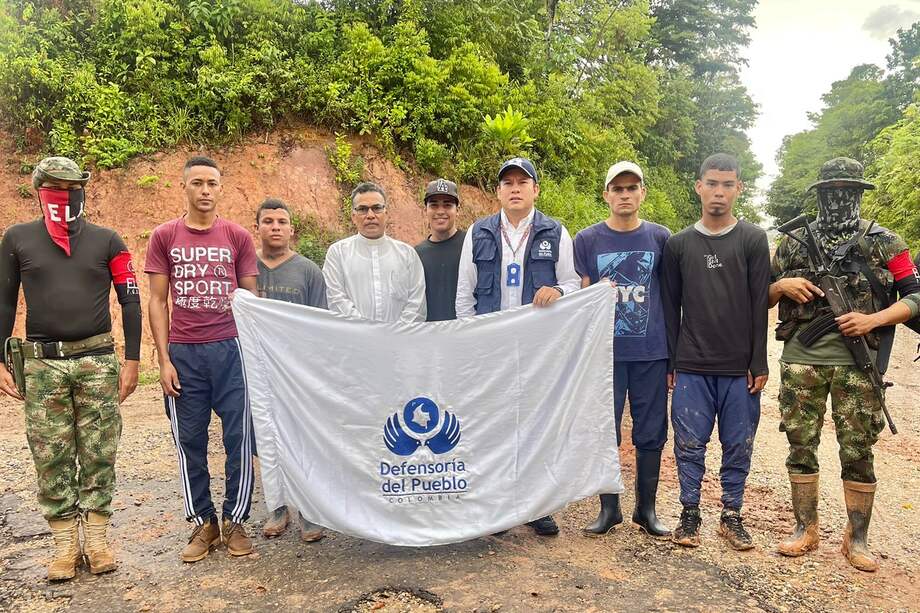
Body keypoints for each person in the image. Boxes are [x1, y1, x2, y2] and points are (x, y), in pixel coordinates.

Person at [769, 157, 920, 572]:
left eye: (848, 190)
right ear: (819, 195)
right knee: (800, 444)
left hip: (860, 362)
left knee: (858, 450)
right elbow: (757, 295)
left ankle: (857, 538)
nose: (840, 198)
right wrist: (780, 285)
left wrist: (874, 319)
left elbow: (915, 295)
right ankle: (806, 529)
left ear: (860, 193)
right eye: (831, 191)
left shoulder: (886, 242)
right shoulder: (794, 242)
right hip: (802, 359)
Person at [0, 156, 141, 580]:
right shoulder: (17, 239)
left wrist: (133, 360)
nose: (64, 195)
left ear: (83, 189)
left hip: (97, 360)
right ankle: (64, 546)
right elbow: (5, 301)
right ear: (38, 188)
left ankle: (96, 542)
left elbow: (130, 299)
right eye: (54, 186)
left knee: (100, 452)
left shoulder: (108, 241)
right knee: (50, 455)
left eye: (72, 186)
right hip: (43, 364)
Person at [455, 157, 581, 536]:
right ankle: (496, 507)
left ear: (535, 190)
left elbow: (574, 283)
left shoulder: (555, 233)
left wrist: (557, 290)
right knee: (492, 426)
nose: (514, 188)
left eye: (522, 182)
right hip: (491, 351)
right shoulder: (477, 233)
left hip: (536, 351)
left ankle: (534, 506)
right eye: (507, 182)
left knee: (533, 426)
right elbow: (465, 295)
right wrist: (474, 342)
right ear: (497, 191)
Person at [145, 156, 259, 563]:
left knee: (238, 439)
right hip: (184, 353)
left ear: (221, 188)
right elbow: (158, 302)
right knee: (188, 440)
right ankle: (204, 522)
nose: (205, 190)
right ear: (185, 187)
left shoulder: (238, 237)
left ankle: (236, 520)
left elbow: (251, 300)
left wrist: (255, 355)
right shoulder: (164, 236)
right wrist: (163, 360)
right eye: (197, 183)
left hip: (231, 351)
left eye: (212, 182)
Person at [661, 153, 770, 551]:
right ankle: (689, 514)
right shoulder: (678, 245)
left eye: (728, 184)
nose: (719, 192)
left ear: (739, 188)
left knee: (739, 443)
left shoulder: (754, 240)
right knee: (689, 443)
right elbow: (670, 307)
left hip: (739, 367)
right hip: (691, 364)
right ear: (698, 187)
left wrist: (759, 360)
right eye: (712, 183)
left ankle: (732, 515)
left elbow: (760, 303)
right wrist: (672, 360)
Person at [574, 161, 671, 539]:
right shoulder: (587, 240)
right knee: (604, 430)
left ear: (643, 193)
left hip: (651, 351)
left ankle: (646, 510)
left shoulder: (661, 238)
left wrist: (673, 356)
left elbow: (673, 298)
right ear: (606, 195)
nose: (625, 195)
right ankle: (609, 508)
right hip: (604, 355)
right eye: (618, 189)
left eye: (632, 188)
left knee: (651, 432)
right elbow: (581, 296)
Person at [253, 198, 327, 542]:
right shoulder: (246, 269)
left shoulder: (308, 271)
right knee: (265, 439)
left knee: (303, 439)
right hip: (258, 371)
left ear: (292, 229)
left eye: (282, 221)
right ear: (258, 228)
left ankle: (309, 511)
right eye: (268, 221)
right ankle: (277, 506)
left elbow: (319, 323)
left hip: (297, 372)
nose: (275, 227)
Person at [323, 182, 426, 323]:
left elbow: (417, 303)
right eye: (363, 209)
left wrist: (395, 333)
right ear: (353, 216)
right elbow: (336, 299)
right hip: (353, 340)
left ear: (386, 213)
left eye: (377, 208)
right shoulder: (338, 253)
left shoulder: (407, 254)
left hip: (399, 340)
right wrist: (366, 331)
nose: (370, 215)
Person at [415, 179, 465, 322]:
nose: (440, 211)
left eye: (447, 205)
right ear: (425, 210)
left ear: (457, 210)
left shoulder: (472, 245)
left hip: (465, 334)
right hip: (430, 337)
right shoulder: (416, 254)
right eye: (434, 205)